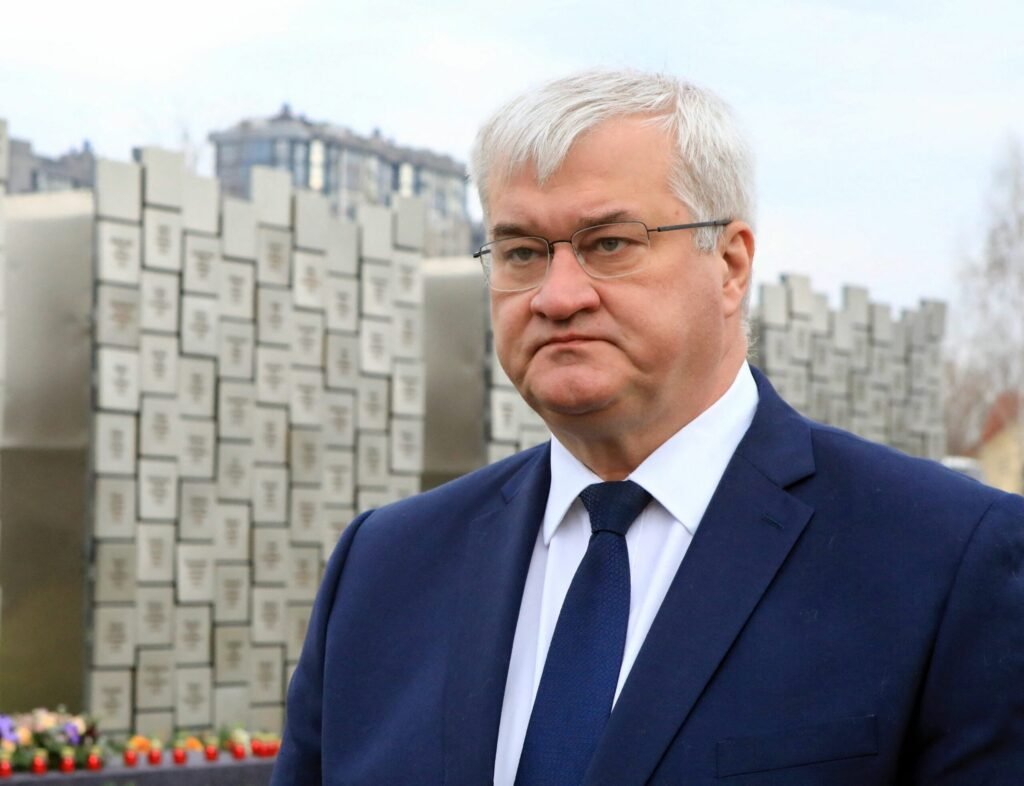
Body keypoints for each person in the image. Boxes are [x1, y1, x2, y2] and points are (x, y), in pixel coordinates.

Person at [272, 70, 1024, 785]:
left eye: (609, 244)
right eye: (522, 252)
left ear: (730, 265)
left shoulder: (945, 560)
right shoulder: (383, 568)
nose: (557, 296)